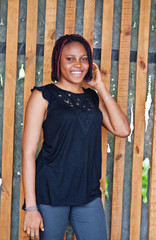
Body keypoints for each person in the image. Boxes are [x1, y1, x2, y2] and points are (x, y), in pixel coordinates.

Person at [22, 34, 130, 240]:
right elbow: (27, 153)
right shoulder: (43, 96)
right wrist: (32, 208)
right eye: (70, 59)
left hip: (87, 192)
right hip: (50, 193)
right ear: (58, 62)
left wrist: (100, 87)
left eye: (84, 58)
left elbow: (123, 130)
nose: (78, 64)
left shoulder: (92, 97)